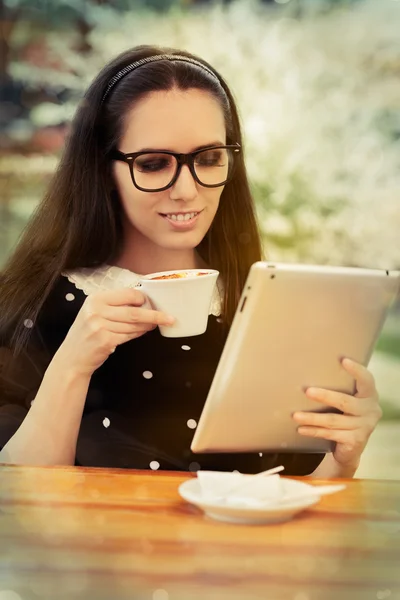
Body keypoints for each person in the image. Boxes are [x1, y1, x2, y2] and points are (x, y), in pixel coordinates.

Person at [0, 45, 382, 476]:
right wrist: (73, 364)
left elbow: (297, 495)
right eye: (154, 164)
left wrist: (342, 457)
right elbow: (17, 502)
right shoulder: (34, 305)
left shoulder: (270, 309)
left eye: (208, 158)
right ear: (102, 168)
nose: (185, 190)